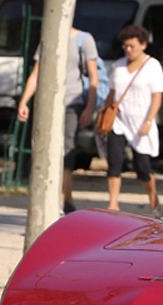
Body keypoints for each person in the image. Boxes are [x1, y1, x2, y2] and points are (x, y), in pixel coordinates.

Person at [16, 25, 100, 214]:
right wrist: (24, 102)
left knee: (68, 147)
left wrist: (89, 107)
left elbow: (94, 78)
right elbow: (36, 74)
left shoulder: (84, 39)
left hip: (72, 100)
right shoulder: (48, 37)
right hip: (49, 102)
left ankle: (63, 198)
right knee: (46, 147)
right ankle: (64, 198)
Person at [101, 25, 163, 215]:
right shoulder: (119, 65)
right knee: (114, 161)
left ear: (143, 45)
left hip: (141, 121)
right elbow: (112, 93)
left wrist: (148, 121)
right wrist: (104, 114)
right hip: (119, 120)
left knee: (142, 166)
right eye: (125, 46)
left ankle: (154, 201)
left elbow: (157, 97)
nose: (128, 50)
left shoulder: (153, 66)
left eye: (132, 46)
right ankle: (113, 203)